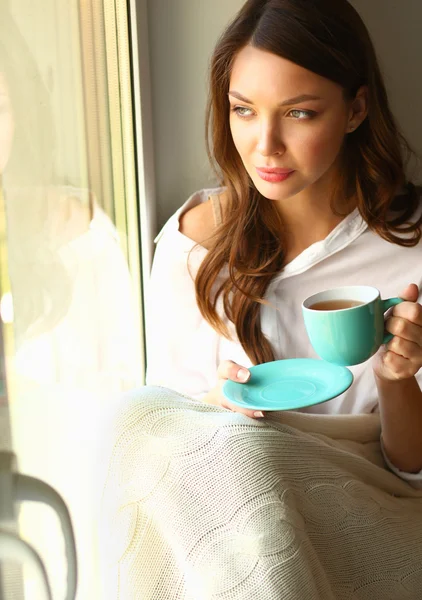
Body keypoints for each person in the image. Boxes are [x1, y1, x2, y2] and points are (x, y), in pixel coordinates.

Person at [146, 0, 422, 485]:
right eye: (244, 111)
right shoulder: (192, 245)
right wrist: (216, 409)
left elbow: (411, 469)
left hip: (370, 508)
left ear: (355, 109)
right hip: (233, 512)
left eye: (298, 112)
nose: (266, 144)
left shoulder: (411, 246)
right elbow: (162, 447)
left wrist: (396, 379)